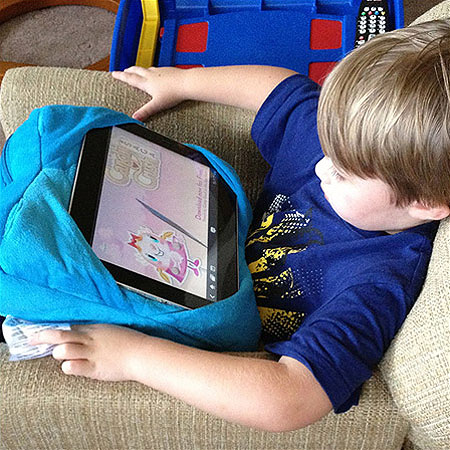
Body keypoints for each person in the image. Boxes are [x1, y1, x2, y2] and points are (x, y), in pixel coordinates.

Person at [31, 20, 450, 432]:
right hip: (194, 245)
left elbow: (290, 399)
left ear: (424, 204)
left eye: (343, 172)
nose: (322, 167)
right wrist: (181, 82)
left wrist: (133, 357)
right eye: (328, 148)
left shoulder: (378, 281)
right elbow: (282, 88)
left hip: (203, 333)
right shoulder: (343, 142)